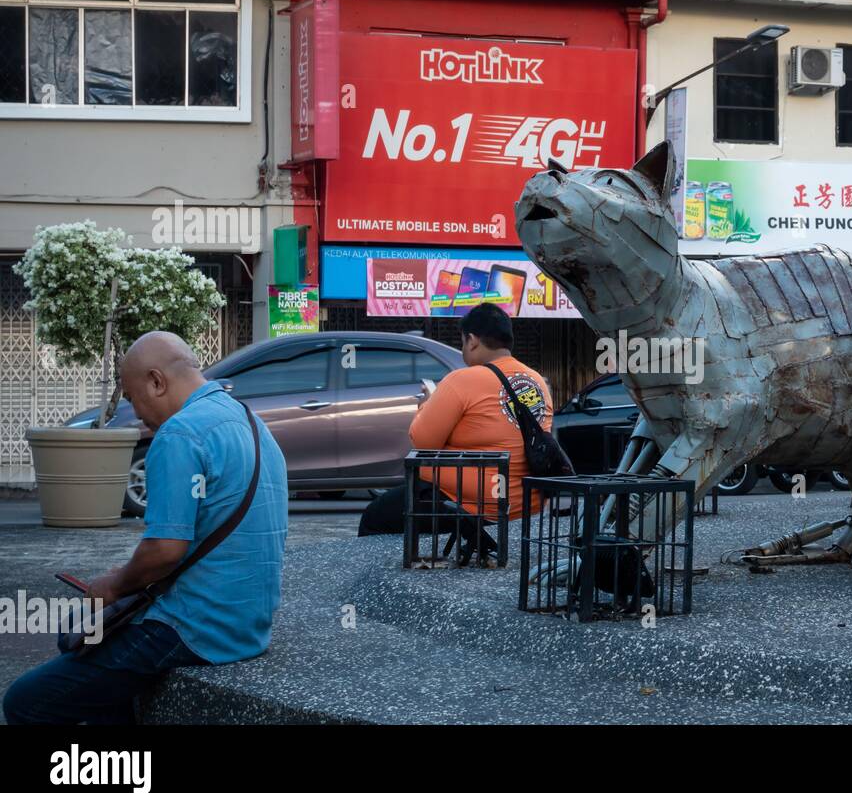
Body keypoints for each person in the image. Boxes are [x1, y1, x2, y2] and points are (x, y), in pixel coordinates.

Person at [2, 331, 288, 725]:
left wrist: (113, 584)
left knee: (24, 700)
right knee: (83, 636)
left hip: (194, 629)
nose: (137, 414)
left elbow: (165, 550)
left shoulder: (180, 433)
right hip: (250, 625)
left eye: (134, 398)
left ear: (156, 381)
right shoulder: (253, 423)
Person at [359, 303, 554, 547]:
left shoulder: (462, 379)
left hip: (473, 503)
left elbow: (422, 442)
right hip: (526, 502)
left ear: (472, 340)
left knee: (375, 516)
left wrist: (426, 405)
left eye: (462, 342)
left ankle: (386, 583)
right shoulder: (537, 380)